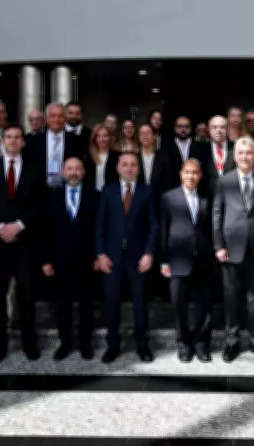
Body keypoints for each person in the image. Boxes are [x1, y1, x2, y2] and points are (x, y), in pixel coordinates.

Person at [0, 123, 46, 364]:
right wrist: (0, 227)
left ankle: (29, 341)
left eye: (17, 137)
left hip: (25, 242)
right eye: (9, 137)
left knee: (27, 294)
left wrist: (19, 225)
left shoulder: (35, 168)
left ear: (23, 142)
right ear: (3, 141)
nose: (13, 141)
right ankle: (0, 342)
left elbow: (39, 202)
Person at [213, 136, 254, 363]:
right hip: (230, 249)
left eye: (249, 152)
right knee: (230, 298)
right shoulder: (225, 180)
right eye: (240, 153)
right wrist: (218, 245)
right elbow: (217, 214)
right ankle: (232, 341)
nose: (244, 156)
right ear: (234, 156)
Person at [95, 152, 158, 363]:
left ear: (138, 169)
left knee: (140, 302)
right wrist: (100, 254)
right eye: (125, 164)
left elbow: (154, 225)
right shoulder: (108, 190)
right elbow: (99, 225)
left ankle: (142, 344)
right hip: (111, 258)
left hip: (139, 258)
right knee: (111, 303)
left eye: (133, 165)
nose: (129, 168)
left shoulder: (147, 191)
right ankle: (113, 345)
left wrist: (149, 253)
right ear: (118, 168)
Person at [40, 157, 100, 361]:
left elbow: (100, 230)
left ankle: (85, 343)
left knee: (86, 304)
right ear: (63, 172)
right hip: (59, 261)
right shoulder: (51, 198)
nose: (73, 172)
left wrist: (99, 256)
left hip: (87, 261)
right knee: (62, 305)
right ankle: (65, 343)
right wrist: (45, 260)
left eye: (77, 168)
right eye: (69, 168)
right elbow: (44, 232)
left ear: (84, 172)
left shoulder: (95, 197)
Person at [159, 159, 213, 363]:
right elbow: (163, 230)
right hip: (177, 258)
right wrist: (164, 260)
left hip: (203, 259)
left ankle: (201, 343)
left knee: (204, 305)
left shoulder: (206, 198)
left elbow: (209, 229)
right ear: (181, 174)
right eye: (187, 172)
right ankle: (183, 344)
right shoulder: (168, 197)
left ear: (200, 176)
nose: (191, 176)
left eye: (195, 173)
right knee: (178, 303)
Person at [24, 102, 84, 188]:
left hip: (67, 188)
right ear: (47, 119)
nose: (57, 119)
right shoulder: (33, 141)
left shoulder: (76, 140)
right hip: (39, 189)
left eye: (60, 116)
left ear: (65, 119)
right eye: (53, 116)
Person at [84, 124, 118, 192]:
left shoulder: (117, 156)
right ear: (94, 139)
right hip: (93, 193)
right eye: (98, 136)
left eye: (105, 136)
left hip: (111, 193)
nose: (102, 139)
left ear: (110, 137)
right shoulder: (89, 157)